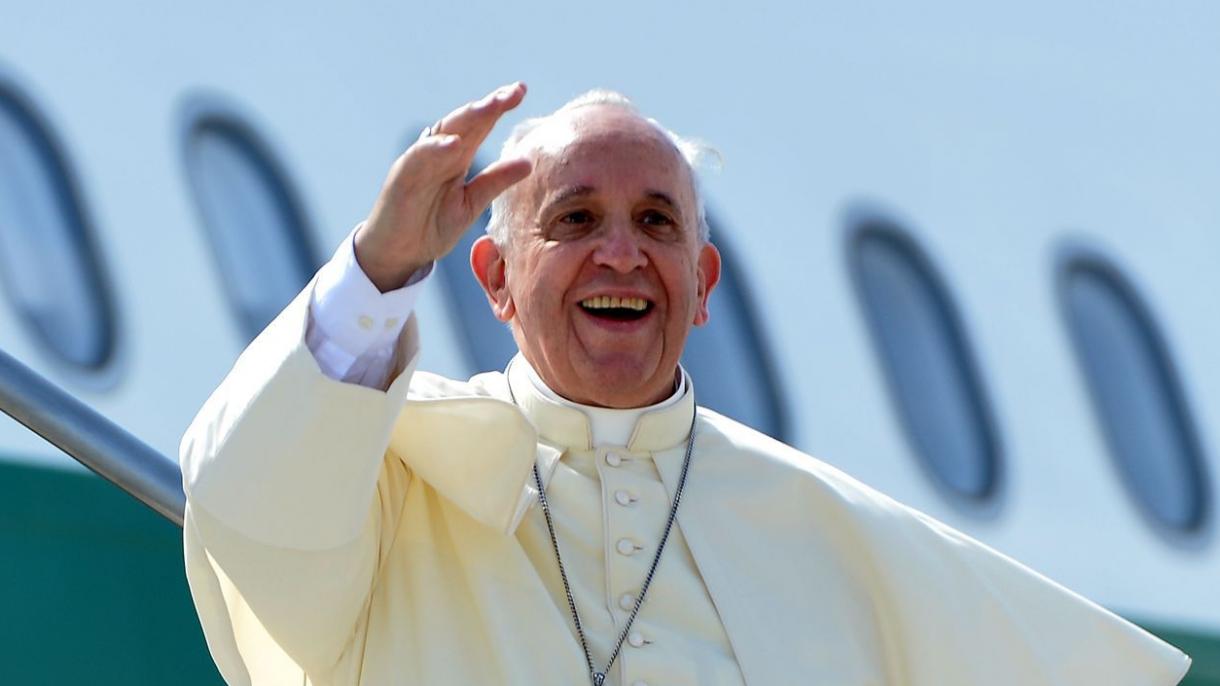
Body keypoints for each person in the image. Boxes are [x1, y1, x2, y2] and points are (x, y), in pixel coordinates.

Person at [180, 82, 1190, 686]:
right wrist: (379, 268)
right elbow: (247, 503)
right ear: (494, 279)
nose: (620, 254)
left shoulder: (834, 539)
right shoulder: (383, 486)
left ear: (700, 286)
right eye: (573, 220)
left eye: (656, 223)